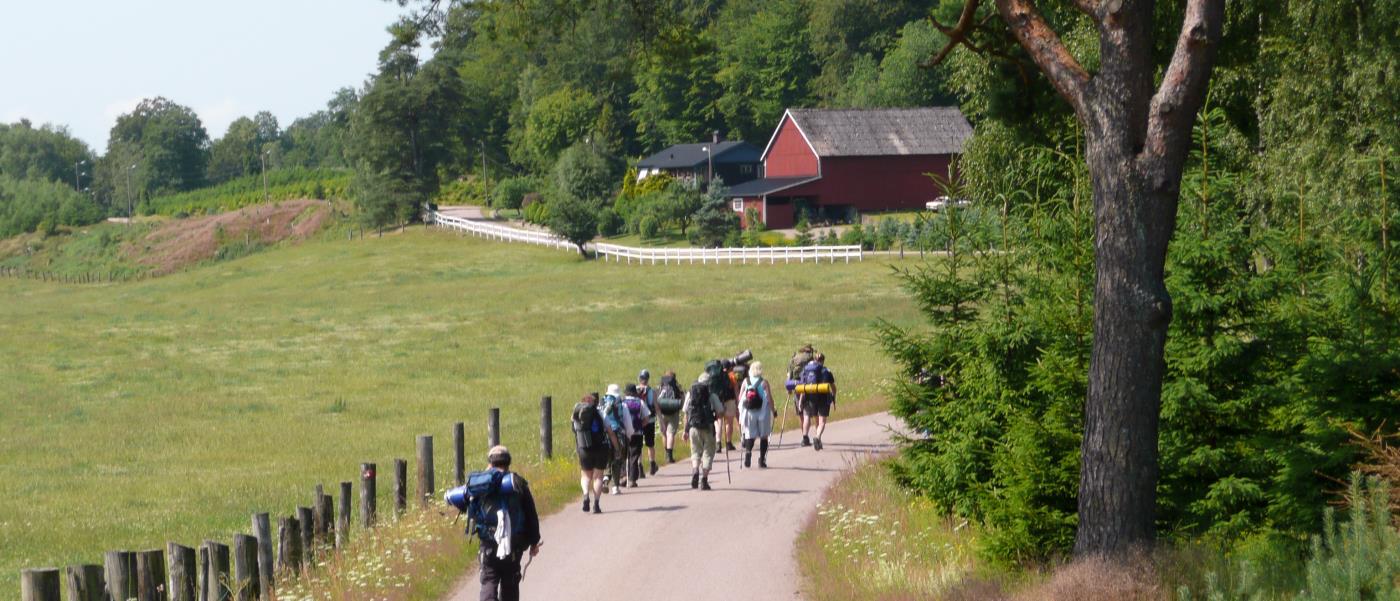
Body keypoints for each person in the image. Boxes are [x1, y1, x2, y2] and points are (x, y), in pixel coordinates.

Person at [475, 446, 541, 601]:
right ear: (508, 462)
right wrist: (534, 542)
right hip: (514, 545)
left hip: (489, 544)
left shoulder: (481, 484)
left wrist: (487, 472)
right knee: (510, 584)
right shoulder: (517, 482)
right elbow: (531, 514)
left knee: (489, 580)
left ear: (490, 462)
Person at [571, 393, 614, 513]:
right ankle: (596, 504)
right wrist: (617, 447)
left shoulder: (576, 414)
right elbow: (610, 432)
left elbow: (575, 430)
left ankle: (585, 495)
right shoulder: (600, 413)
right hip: (600, 448)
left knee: (585, 476)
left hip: (584, 448)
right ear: (595, 402)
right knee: (598, 477)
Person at [683, 371, 725, 490]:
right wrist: (718, 414)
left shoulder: (690, 393)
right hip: (708, 427)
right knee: (708, 453)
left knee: (695, 452)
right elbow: (720, 412)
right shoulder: (712, 395)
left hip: (693, 427)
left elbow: (686, 412)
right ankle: (704, 480)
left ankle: (695, 470)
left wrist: (686, 430)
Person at [738, 361, 777, 468]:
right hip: (762, 412)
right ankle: (762, 460)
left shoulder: (746, 381)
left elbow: (740, 398)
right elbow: (769, 398)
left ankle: (748, 452)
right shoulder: (764, 382)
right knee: (764, 436)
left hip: (749, 411)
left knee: (750, 434)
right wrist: (773, 411)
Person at [599, 384, 634, 495]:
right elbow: (628, 423)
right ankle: (615, 487)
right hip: (617, 434)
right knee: (617, 460)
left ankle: (605, 479)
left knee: (606, 459)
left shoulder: (601, 405)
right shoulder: (622, 405)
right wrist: (629, 435)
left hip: (603, 435)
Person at [800, 353, 838, 450]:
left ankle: (810, 438)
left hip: (810, 397)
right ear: (822, 360)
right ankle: (817, 437)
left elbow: (803, 386)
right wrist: (833, 395)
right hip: (823, 398)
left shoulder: (806, 370)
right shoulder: (826, 370)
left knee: (812, 417)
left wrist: (801, 400)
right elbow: (833, 387)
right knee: (822, 421)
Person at [621, 383, 651, 488]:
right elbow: (647, 419)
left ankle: (623, 477)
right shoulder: (640, 402)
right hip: (637, 433)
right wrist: (639, 426)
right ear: (634, 392)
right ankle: (632, 480)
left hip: (623, 433)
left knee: (623, 455)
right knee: (634, 456)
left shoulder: (621, 402)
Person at [636, 370, 660, 476]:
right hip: (649, 421)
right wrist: (661, 422)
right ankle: (652, 465)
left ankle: (640, 467)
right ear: (648, 379)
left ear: (639, 378)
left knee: (639, 445)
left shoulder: (635, 390)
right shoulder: (652, 391)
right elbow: (656, 407)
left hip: (638, 422)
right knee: (650, 444)